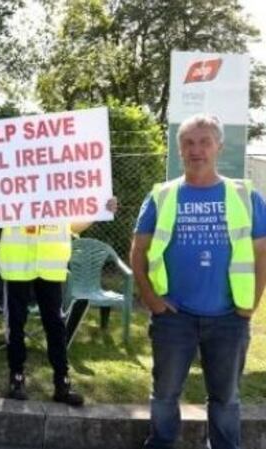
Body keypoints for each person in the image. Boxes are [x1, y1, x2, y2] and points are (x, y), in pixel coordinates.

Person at [131, 114, 266, 449]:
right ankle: (161, 443)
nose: (196, 150)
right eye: (188, 143)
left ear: (219, 146)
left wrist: (251, 305)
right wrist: (152, 300)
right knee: (164, 394)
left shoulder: (246, 197)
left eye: (205, 141)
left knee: (225, 399)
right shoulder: (162, 196)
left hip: (229, 319)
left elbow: (262, 254)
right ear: (179, 150)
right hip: (173, 318)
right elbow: (139, 250)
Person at [0, 198, 117, 407]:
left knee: (55, 324)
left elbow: (72, 224)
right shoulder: (12, 176)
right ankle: (16, 377)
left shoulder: (58, 180)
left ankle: (62, 382)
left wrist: (99, 211)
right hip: (18, 264)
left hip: (49, 267)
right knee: (16, 323)